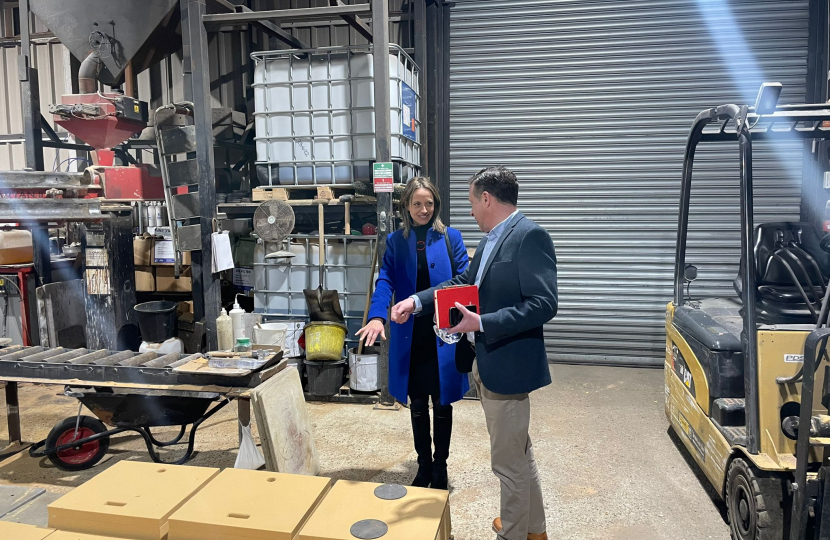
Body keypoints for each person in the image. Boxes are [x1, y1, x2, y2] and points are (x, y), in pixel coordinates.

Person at [391, 166, 557, 540]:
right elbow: (463, 284)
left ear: (487, 199)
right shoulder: (492, 238)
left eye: (471, 202)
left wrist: (481, 323)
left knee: (508, 463)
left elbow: (544, 304)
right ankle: (533, 530)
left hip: (509, 366)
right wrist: (417, 302)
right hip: (489, 361)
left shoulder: (529, 236)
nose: (469, 211)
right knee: (520, 453)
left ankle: (511, 534)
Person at [356, 177, 469, 490]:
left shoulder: (451, 238)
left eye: (429, 203)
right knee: (418, 403)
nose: (424, 209)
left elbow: (464, 278)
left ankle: (440, 466)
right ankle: (423, 465)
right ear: (406, 206)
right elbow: (385, 282)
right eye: (417, 203)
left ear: (436, 205)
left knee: (442, 402)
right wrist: (378, 316)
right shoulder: (395, 241)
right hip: (411, 333)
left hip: (443, 334)